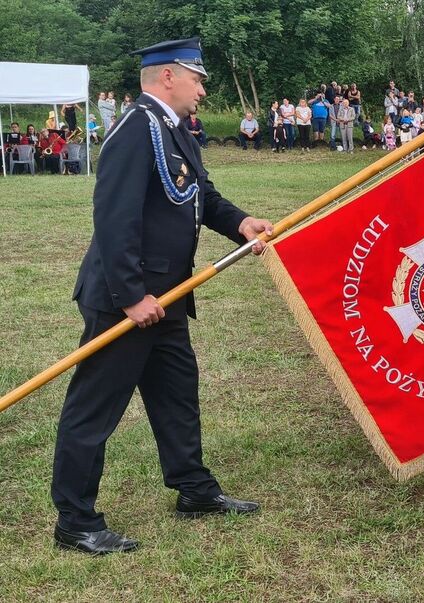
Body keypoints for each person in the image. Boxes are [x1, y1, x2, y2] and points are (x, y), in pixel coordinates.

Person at [51, 37, 274, 556]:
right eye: (197, 79)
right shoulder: (135, 129)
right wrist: (132, 296)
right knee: (93, 409)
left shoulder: (177, 130)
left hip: (169, 296)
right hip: (125, 301)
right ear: (168, 76)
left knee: (177, 395)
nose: (202, 89)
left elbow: (202, 196)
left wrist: (241, 223)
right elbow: (114, 218)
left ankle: (193, 490)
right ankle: (75, 520)